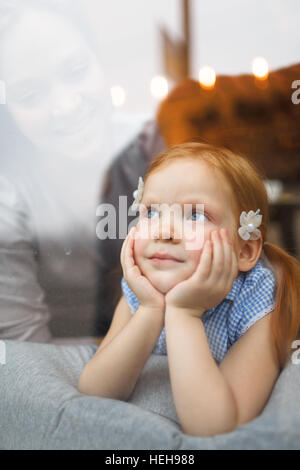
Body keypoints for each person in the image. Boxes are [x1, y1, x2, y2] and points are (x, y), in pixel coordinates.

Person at [78, 142, 300, 437]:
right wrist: (149, 309)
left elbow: (214, 425)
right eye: (152, 212)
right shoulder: (141, 287)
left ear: (244, 251)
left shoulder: (258, 300)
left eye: (196, 216)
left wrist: (184, 313)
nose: (165, 231)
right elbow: (95, 390)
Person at [0, 0, 113, 341]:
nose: (65, 107)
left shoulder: (165, 155)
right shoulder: (8, 199)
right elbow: (24, 363)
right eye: (31, 94)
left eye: (76, 70)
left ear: (101, 62)